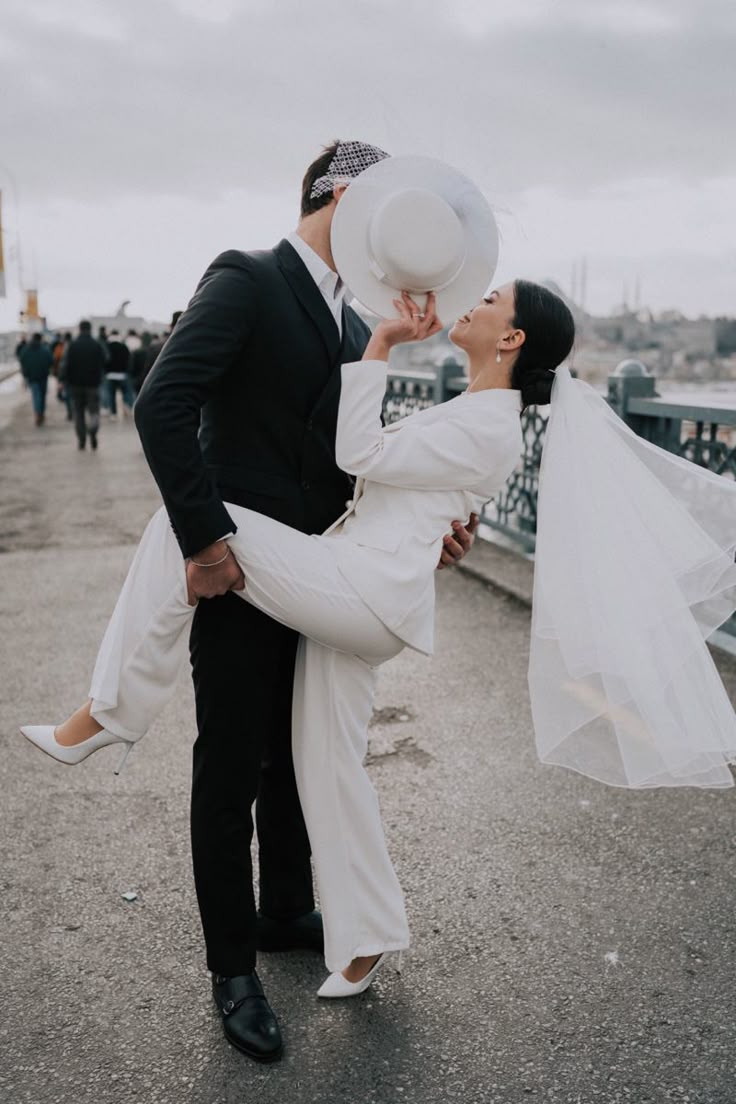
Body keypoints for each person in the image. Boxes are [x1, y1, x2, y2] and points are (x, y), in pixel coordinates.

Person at [20, 142, 481, 1063]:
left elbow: (358, 461)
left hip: (315, 575)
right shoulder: (249, 275)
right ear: (346, 198)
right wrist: (203, 542)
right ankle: (232, 969)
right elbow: (163, 403)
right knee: (229, 766)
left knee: (289, 755)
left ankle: (280, 915)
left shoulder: (355, 326)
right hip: (238, 570)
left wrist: (429, 532)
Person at [64, 320, 107, 450]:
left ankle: (82, 440)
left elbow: (65, 365)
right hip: (93, 384)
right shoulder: (96, 345)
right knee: (94, 411)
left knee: (79, 413)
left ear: (79, 329)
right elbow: (106, 359)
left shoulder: (72, 345)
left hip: (76, 385)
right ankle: (93, 433)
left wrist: (64, 381)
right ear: (90, 329)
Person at [19, 333, 53, 426]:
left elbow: (22, 361)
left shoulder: (26, 350)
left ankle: (37, 413)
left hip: (32, 377)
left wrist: (26, 374)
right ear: (40, 339)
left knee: (35, 395)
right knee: (42, 396)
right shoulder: (45, 350)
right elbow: (51, 361)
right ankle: (41, 413)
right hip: (43, 377)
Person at [105, 331, 133, 417]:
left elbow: (104, 360)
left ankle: (113, 413)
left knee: (111, 395)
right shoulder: (124, 347)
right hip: (122, 374)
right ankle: (127, 405)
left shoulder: (107, 347)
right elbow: (129, 360)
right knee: (126, 392)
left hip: (110, 375)